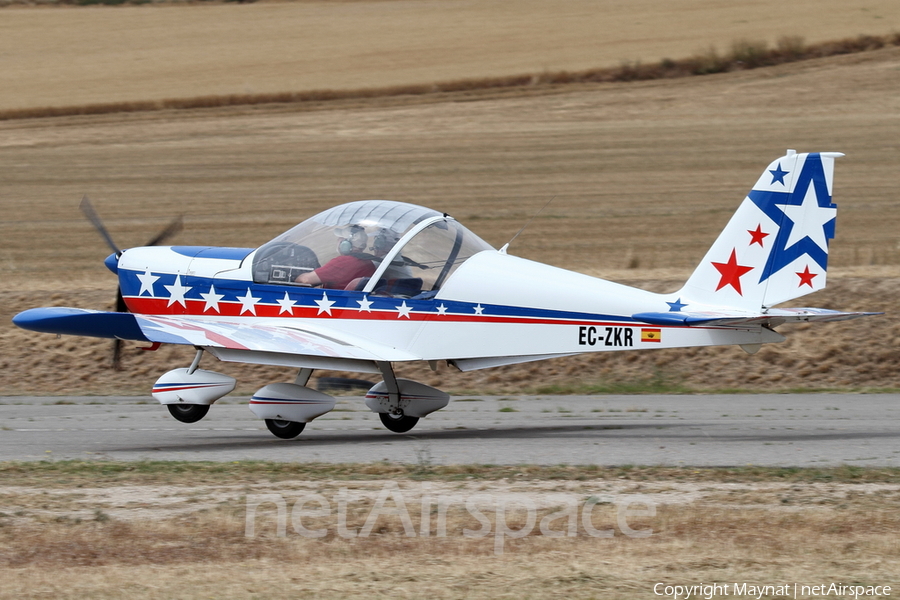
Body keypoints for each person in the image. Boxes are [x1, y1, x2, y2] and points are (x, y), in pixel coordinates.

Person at [294, 226, 376, 289]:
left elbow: (305, 280)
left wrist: (295, 276)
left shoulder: (344, 262)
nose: (338, 240)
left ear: (346, 244)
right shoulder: (367, 262)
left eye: (341, 238)